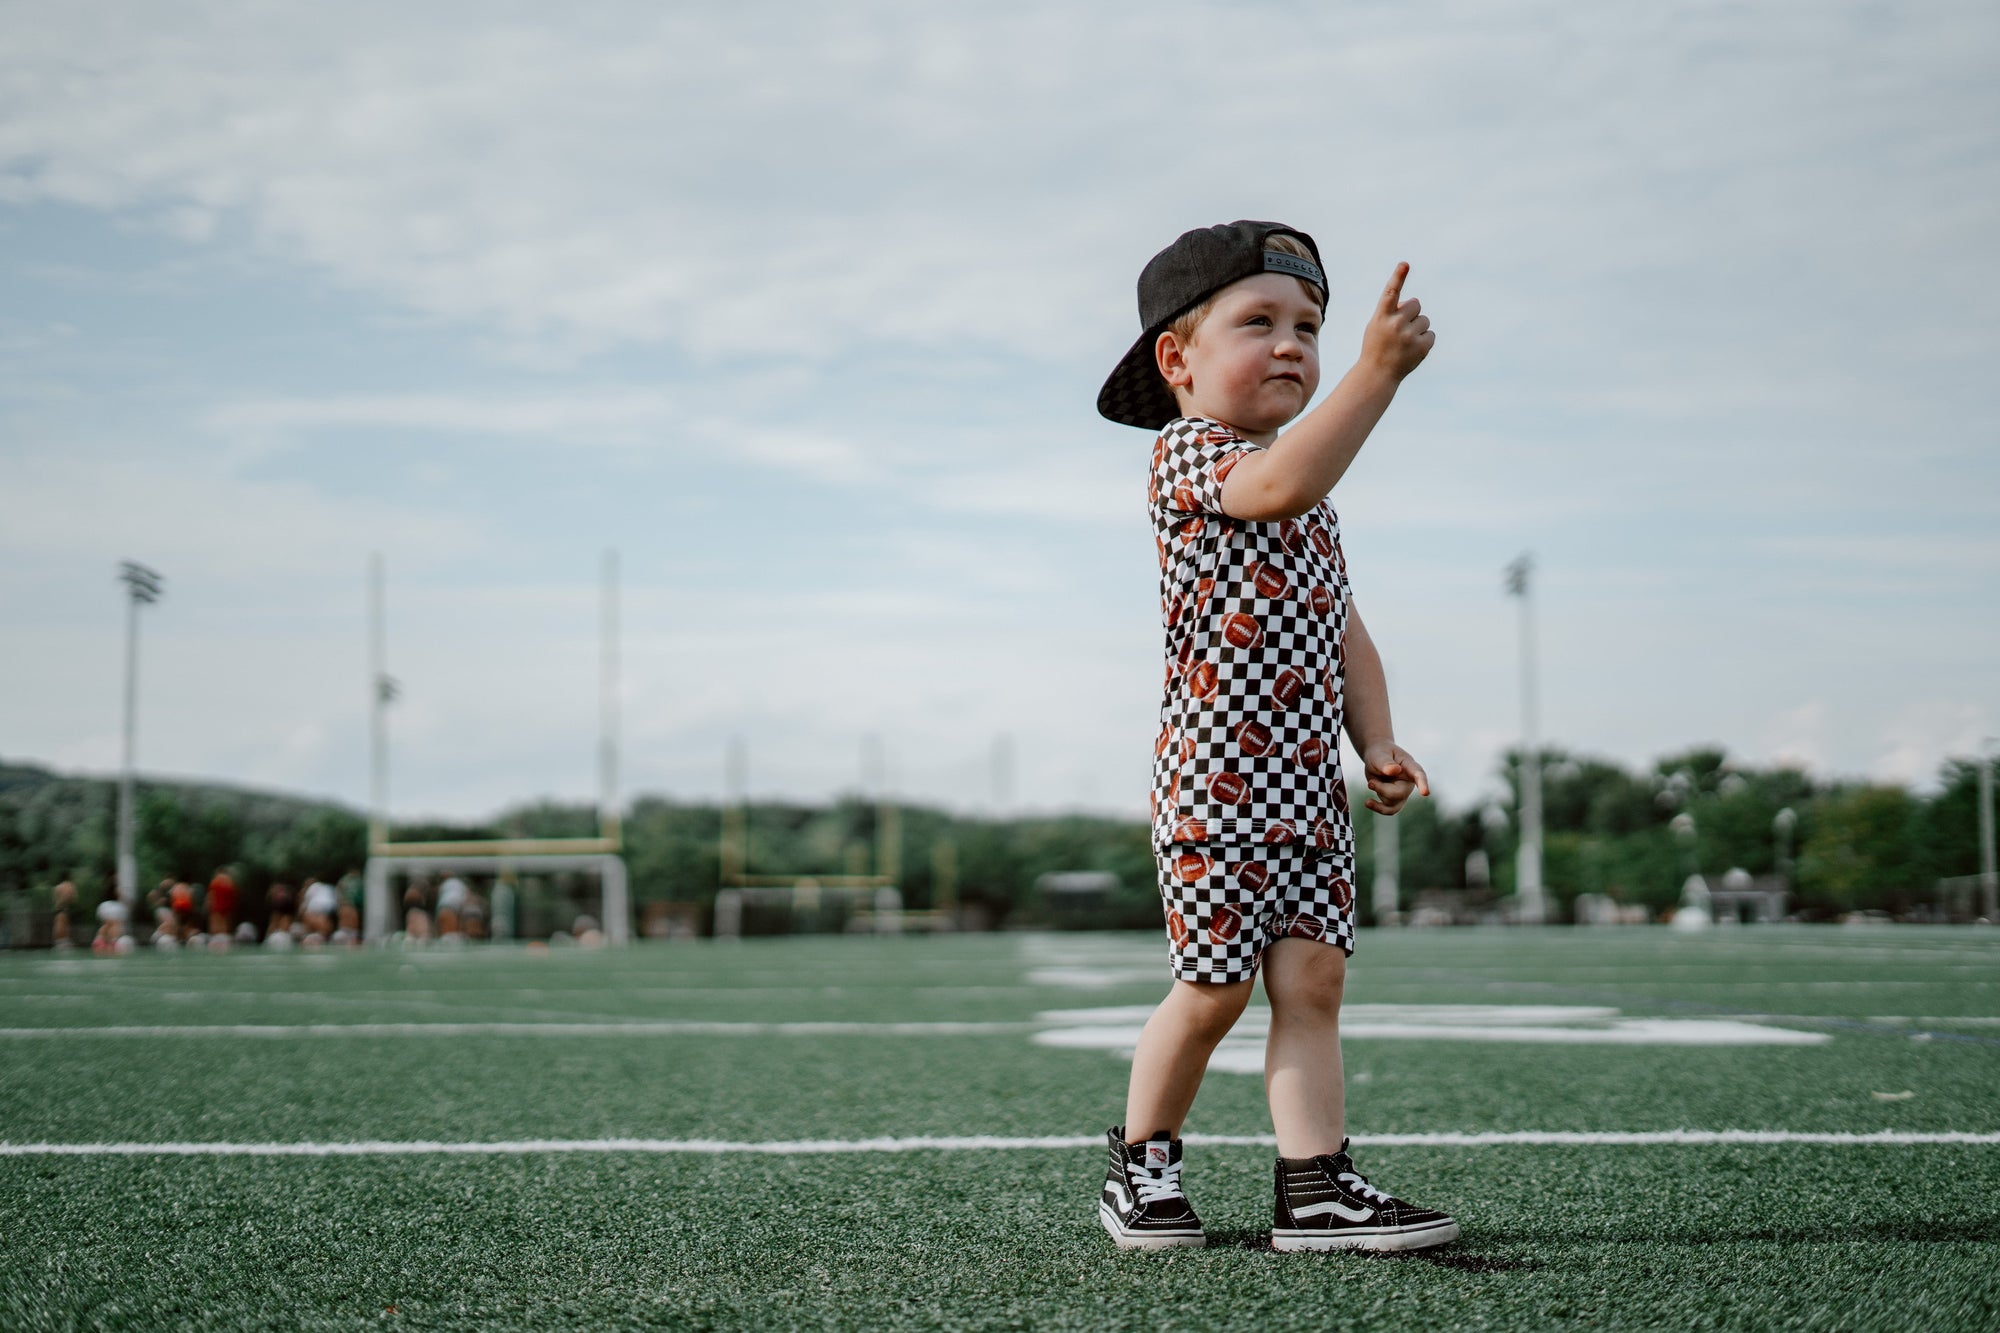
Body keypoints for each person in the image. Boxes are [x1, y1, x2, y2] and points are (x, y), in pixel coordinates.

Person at [1093, 221, 1456, 1253]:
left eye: (1311, 326)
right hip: (1215, 785)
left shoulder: (1312, 499)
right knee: (1211, 986)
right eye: (1258, 323)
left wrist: (1375, 742)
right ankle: (1142, 1162)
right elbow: (1276, 483)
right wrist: (1375, 378)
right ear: (1178, 359)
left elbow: (1345, 628)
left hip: (1303, 792)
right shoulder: (1191, 457)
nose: (1294, 344)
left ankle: (1314, 1182)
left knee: (1312, 980)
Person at [207, 867, 238, 940]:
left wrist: (209, 905)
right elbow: (234, 896)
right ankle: (224, 939)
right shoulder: (230, 881)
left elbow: (211, 895)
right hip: (227, 908)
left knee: (215, 924)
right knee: (226, 924)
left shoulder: (215, 881)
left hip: (216, 907)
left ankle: (215, 939)